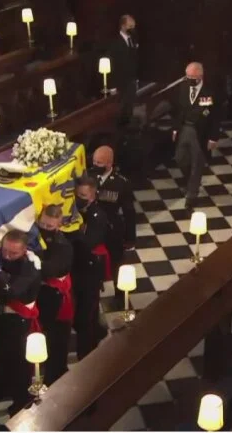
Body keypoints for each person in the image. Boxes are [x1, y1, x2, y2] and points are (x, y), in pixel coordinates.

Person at [0, 230, 43, 416]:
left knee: (19, 363)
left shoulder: (31, 268)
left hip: (19, 323)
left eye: (13, 253)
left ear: (24, 250)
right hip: (3, 319)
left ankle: (21, 401)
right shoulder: (3, 259)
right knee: (3, 357)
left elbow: (12, 292)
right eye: (4, 251)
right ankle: (2, 389)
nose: (7, 256)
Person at [89, 145, 136, 310]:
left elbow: (129, 212)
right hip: (92, 228)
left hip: (112, 229)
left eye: (99, 163)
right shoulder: (89, 177)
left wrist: (130, 237)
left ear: (109, 163)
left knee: (117, 263)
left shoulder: (121, 183)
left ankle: (120, 295)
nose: (95, 165)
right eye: (94, 161)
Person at [68, 177, 110, 359]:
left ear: (93, 196)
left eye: (84, 196)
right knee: (82, 313)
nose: (80, 198)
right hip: (78, 270)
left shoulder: (97, 216)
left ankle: (87, 354)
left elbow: (88, 243)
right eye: (78, 195)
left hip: (90, 272)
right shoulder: (78, 212)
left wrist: (72, 232)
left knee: (86, 315)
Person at [171, 62, 221, 209]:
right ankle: (190, 182)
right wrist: (175, 129)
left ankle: (192, 194)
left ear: (200, 76)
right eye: (187, 77)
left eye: (192, 77)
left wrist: (214, 137)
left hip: (201, 132)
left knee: (197, 164)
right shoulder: (183, 88)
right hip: (184, 128)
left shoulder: (210, 91)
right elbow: (177, 111)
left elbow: (216, 117)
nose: (189, 80)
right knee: (180, 158)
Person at [34, 205, 74, 385]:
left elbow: (50, 270)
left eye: (49, 226)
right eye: (42, 224)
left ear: (59, 225)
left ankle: (56, 377)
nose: (44, 228)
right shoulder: (34, 237)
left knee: (57, 339)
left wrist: (34, 261)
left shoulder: (63, 246)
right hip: (41, 295)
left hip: (55, 299)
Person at [108, 15, 139, 126]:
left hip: (131, 82)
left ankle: (129, 130)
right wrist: (112, 87)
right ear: (123, 26)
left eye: (133, 27)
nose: (132, 29)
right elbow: (112, 65)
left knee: (129, 109)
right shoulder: (115, 43)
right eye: (130, 26)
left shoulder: (133, 40)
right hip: (120, 83)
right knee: (120, 112)